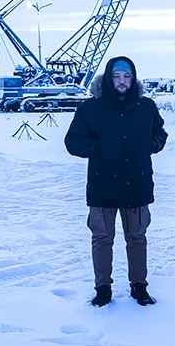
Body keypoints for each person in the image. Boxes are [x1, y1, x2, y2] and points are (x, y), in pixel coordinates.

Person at [65, 57, 168, 307]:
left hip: (137, 184)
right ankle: (103, 289)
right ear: (109, 79)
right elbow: (72, 142)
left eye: (127, 76)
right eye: (117, 76)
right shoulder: (91, 108)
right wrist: (98, 148)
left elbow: (160, 133)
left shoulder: (146, 106)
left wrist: (153, 144)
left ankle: (139, 287)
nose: (122, 81)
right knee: (102, 238)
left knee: (137, 237)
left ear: (133, 79)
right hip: (103, 186)